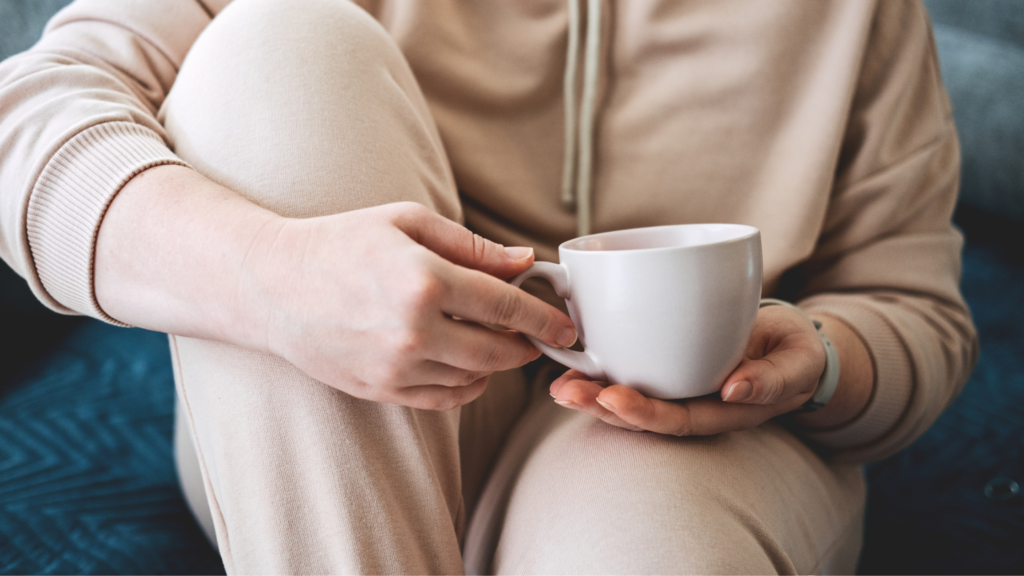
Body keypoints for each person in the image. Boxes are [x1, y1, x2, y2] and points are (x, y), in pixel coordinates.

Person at [0, 0, 977, 573]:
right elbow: (24, 123)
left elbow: (913, 307)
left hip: (680, 435)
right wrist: (267, 275)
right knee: (274, 45)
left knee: (633, 542)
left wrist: (821, 361)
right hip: (338, 431)